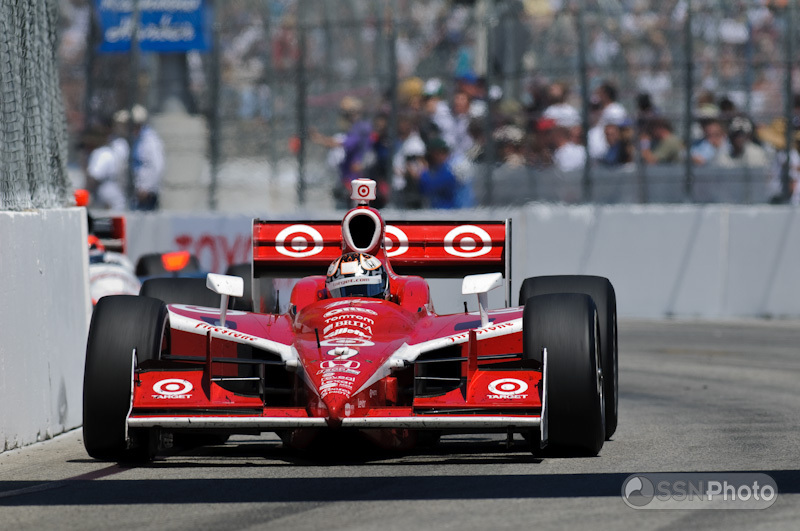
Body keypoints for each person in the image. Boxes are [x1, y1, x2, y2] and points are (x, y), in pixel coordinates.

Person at [310, 96, 373, 208]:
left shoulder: (361, 128)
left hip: (356, 174)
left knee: (357, 206)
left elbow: (344, 143)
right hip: (348, 173)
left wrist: (320, 139)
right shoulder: (355, 128)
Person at [115, 104, 165, 210]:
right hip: (136, 193)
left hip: (147, 195)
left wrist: (148, 188)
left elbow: (158, 166)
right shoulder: (134, 140)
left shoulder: (150, 141)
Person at [81, 119, 127, 211]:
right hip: (116, 192)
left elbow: (93, 178)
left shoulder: (101, 153)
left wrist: (83, 194)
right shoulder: (111, 150)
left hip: (107, 194)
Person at [419, 137, 466, 209]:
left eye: (444, 152)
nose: (442, 156)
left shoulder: (450, 170)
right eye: (437, 153)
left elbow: (430, 187)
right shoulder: (431, 170)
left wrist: (420, 176)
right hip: (433, 210)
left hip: (449, 211)